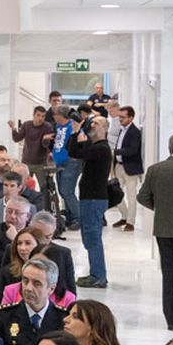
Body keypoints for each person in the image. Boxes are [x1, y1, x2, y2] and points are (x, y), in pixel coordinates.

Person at [0, 257, 68, 345]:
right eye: (25, 281)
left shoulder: (63, 318)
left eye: (37, 284)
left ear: (51, 289)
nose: (28, 288)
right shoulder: (6, 315)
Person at [69, 114, 114, 288]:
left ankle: (98, 276)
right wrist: (77, 133)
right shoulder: (95, 146)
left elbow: (77, 152)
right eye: (92, 122)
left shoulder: (102, 148)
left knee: (92, 237)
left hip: (94, 199)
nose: (92, 125)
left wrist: (76, 132)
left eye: (96, 123)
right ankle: (97, 273)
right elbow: (73, 151)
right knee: (89, 237)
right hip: (90, 198)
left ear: (105, 129)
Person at [112, 106, 144, 231]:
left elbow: (133, 150)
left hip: (130, 168)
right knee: (116, 193)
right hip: (119, 166)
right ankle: (124, 216)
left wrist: (116, 152)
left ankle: (130, 222)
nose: (120, 119)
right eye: (119, 117)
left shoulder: (135, 132)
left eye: (123, 117)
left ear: (131, 118)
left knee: (131, 196)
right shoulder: (122, 130)